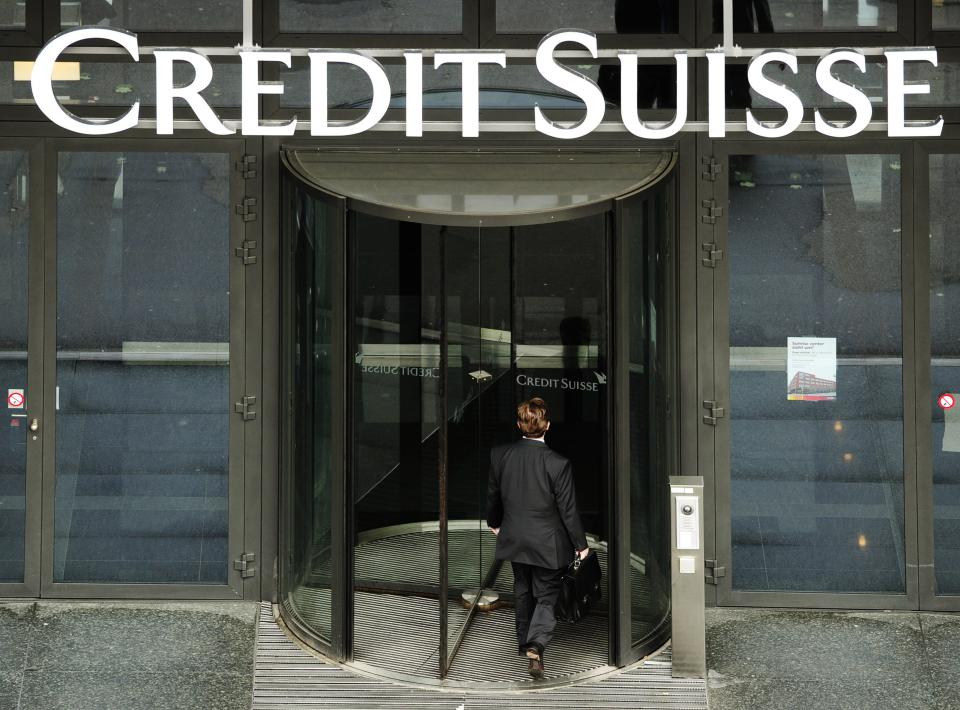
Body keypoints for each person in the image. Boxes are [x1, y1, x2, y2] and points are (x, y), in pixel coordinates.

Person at [485, 396, 590, 679]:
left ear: (519, 425)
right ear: (548, 426)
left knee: (522, 588)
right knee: (546, 594)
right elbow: (568, 511)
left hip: (514, 538)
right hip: (547, 543)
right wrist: (581, 545)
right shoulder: (558, 463)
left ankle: (525, 643)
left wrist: (494, 524)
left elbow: (493, 497)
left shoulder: (500, 455)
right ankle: (536, 644)